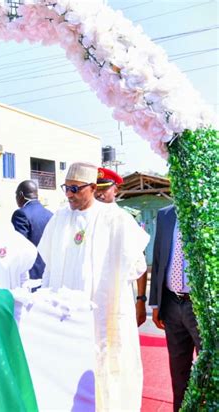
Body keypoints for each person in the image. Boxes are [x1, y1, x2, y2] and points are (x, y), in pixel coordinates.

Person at [38, 162, 149, 411]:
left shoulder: (116, 219)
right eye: (66, 187)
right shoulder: (59, 219)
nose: (68, 194)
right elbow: (49, 266)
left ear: (92, 187)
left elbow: (137, 266)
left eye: (75, 188)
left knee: (107, 375)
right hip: (64, 318)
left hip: (103, 316)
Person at [149, 205, 200, 412]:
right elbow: (159, 259)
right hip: (171, 303)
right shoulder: (165, 214)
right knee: (178, 373)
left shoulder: (209, 209)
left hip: (200, 307)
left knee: (209, 371)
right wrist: (155, 304)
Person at [95, 167, 148, 327]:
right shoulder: (86, 219)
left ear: (116, 190)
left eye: (105, 189)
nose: (99, 194)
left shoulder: (125, 219)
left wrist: (141, 300)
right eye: (96, 189)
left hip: (116, 297)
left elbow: (139, 263)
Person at [11, 180, 52, 281]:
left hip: (30, 273)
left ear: (21, 195)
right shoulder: (50, 214)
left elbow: (20, 246)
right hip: (48, 271)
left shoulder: (21, 214)